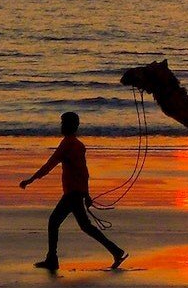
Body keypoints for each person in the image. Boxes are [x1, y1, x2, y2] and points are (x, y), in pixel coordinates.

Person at [20, 111, 127, 271]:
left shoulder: (68, 144)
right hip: (76, 192)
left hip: (72, 194)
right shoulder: (78, 145)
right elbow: (84, 172)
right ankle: (116, 251)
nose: (61, 126)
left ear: (71, 126)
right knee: (85, 226)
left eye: (64, 123)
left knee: (54, 222)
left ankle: (52, 260)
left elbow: (50, 165)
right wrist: (86, 194)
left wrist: (31, 179)